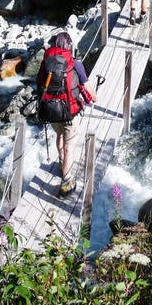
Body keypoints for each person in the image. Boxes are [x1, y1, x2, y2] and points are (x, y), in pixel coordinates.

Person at [36, 31, 96, 197]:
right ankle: (67, 181)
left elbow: (39, 84)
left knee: (60, 135)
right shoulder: (75, 64)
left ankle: (61, 161)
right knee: (70, 146)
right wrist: (94, 97)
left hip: (50, 110)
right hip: (69, 111)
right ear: (70, 46)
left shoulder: (46, 63)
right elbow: (87, 87)